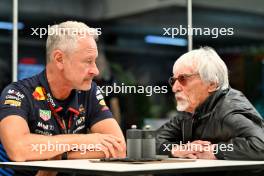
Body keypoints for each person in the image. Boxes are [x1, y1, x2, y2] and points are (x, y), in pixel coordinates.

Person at [0, 21, 126, 176]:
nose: (96, 70)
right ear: (59, 59)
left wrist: (57, 156)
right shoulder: (18, 92)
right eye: (88, 61)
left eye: (95, 61)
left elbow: (118, 147)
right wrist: (84, 141)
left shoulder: (89, 91)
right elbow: (18, 149)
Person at [156, 47, 264, 161]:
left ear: (212, 84)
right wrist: (176, 149)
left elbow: (260, 145)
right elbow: (150, 141)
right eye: (174, 80)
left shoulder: (230, 110)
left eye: (183, 78)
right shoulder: (190, 111)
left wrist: (215, 150)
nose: (174, 88)